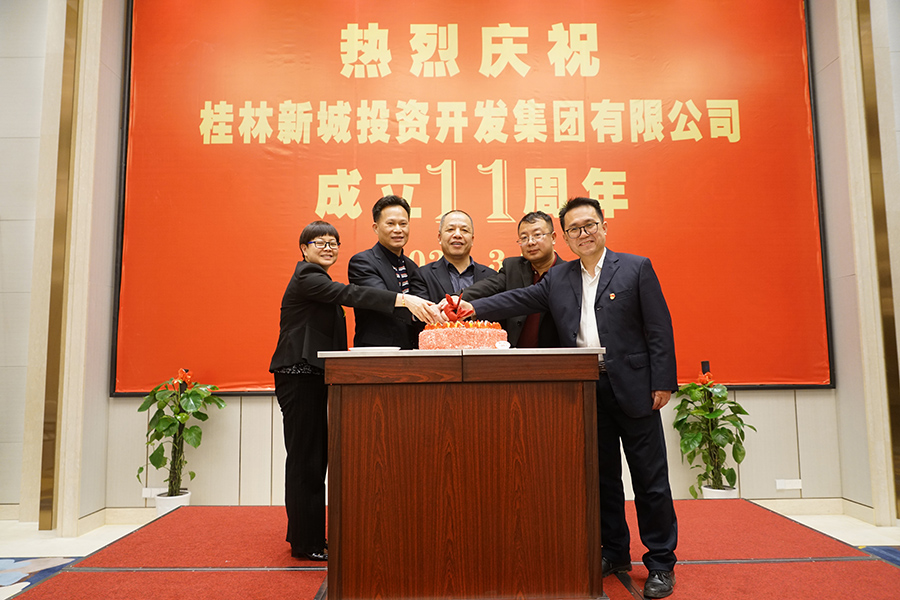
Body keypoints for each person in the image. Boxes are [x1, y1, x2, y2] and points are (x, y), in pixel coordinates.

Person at [452, 198, 678, 598]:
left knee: (650, 479)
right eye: (575, 229)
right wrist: (471, 306)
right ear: (567, 238)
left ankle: (660, 562)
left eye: (589, 225)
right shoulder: (559, 277)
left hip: (635, 387)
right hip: (587, 387)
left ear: (604, 227)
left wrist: (662, 382)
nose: (583, 234)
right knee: (602, 478)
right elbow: (517, 300)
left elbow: (659, 328)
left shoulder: (636, 268)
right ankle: (615, 551)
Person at [269, 220, 438, 562]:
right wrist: (403, 299)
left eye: (333, 243)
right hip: (299, 375)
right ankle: (305, 542)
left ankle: (307, 535)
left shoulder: (318, 279)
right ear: (304, 249)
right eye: (320, 243)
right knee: (305, 460)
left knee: (314, 458)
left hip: (312, 376)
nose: (328, 248)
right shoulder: (308, 276)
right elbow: (351, 294)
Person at [460, 211, 566, 347]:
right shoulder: (513, 267)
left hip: (554, 356)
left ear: (553, 237)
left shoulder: (566, 274)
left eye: (537, 235)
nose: (531, 242)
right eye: (524, 238)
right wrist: (456, 299)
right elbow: (486, 287)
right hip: (513, 355)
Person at [348, 195, 429, 348]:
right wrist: (414, 306)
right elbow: (380, 299)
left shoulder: (412, 266)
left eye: (403, 224)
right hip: (376, 350)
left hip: (411, 350)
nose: (398, 230)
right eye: (390, 223)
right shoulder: (362, 262)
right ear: (376, 228)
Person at [418, 210, 495, 302]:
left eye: (464, 230)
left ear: (472, 240)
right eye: (450, 229)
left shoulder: (492, 276)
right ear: (439, 238)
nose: (457, 235)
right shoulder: (423, 275)